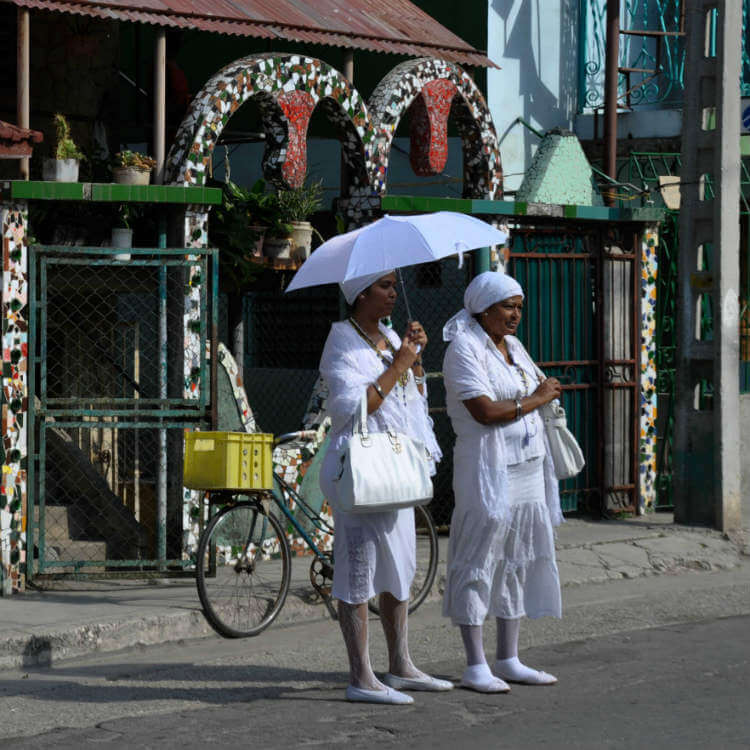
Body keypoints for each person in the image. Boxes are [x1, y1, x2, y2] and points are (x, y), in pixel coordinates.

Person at [318, 270, 452, 705]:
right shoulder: (341, 338)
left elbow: (409, 402)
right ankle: (361, 675)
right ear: (360, 293)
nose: (394, 293)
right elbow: (352, 408)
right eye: (385, 286)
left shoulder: (394, 337)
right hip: (361, 470)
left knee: (399, 566)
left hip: (395, 468)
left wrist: (414, 360)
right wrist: (398, 366)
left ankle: (400, 664)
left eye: (396, 285)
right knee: (357, 569)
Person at [441, 271, 564, 693]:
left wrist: (542, 392)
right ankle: (475, 664)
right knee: (479, 558)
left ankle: (508, 657)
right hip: (487, 468)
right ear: (484, 308)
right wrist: (539, 397)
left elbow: (531, 391)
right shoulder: (463, 349)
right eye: (507, 307)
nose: (515, 316)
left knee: (518, 557)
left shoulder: (513, 346)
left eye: (519, 308)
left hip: (528, 464)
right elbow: (485, 412)